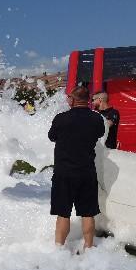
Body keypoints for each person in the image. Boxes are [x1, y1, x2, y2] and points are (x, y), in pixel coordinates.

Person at [48, 86, 105, 250]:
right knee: (88, 213)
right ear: (88, 100)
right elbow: (100, 134)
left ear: (72, 100)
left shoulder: (61, 118)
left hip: (64, 173)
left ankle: (59, 249)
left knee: (63, 213)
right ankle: (89, 247)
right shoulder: (96, 119)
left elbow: (52, 136)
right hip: (87, 172)